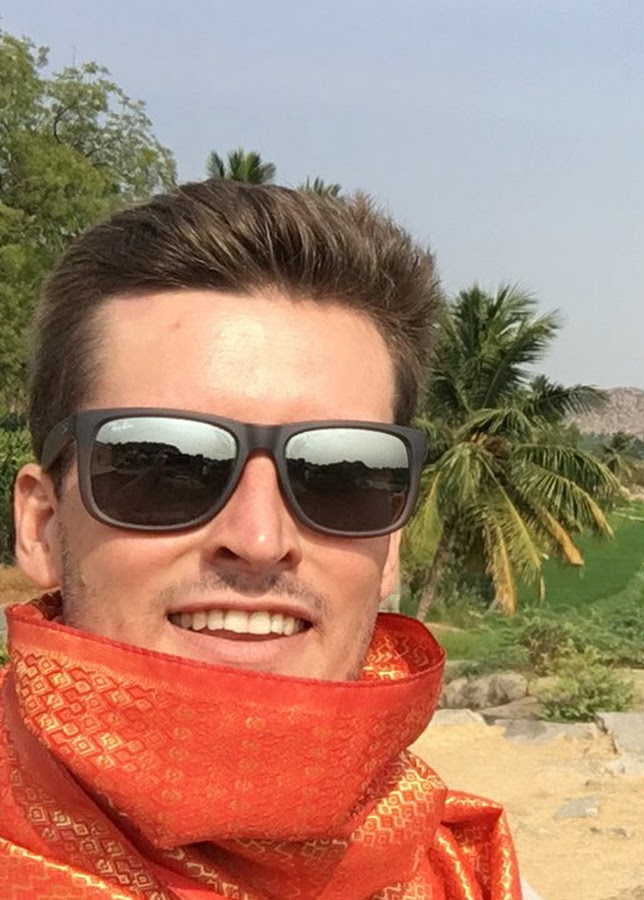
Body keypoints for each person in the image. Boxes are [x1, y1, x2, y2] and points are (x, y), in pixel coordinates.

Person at [0, 181, 522, 898]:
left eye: (340, 475)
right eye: (167, 466)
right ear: (42, 525)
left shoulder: (462, 873)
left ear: (391, 547)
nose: (259, 537)